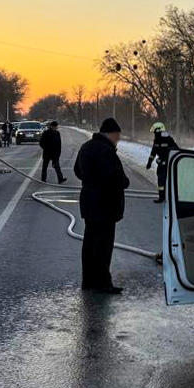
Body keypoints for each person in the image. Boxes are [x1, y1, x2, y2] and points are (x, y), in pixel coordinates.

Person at [73, 117, 129, 293]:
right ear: (109, 133)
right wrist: (124, 181)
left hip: (89, 202)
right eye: (117, 135)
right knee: (103, 246)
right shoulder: (106, 151)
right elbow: (112, 178)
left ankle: (88, 281)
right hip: (104, 205)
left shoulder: (86, 147)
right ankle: (103, 283)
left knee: (90, 243)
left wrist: (90, 181)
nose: (118, 138)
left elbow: (77, 170)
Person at [145, 122, 178, 203]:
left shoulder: (168, 139)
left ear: (159, 131)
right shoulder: (156, 141)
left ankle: (166, 196)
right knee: (160, 180)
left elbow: (176, 149)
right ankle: (162, 196)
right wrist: (149, 162)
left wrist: (169, 152)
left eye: (155, 133)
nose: (154, 134)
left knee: (165, 180)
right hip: (161, 164)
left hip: (169, 163)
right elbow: (153, 152)